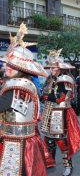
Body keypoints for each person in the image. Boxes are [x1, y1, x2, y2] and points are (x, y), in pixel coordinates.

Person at [0, 23, 55, 175]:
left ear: (21, 68)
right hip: (25, 140)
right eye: (7, 65)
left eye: (12, 66)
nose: (7, 68)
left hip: (18, 144)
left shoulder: (15, 86)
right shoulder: (25, 83)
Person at [40, 49, 80, 176]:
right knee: (49, 140)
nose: (52, 70)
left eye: (54, 68)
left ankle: (68, 165)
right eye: (51, 67)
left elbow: (61, 98)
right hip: (49, 111)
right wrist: (45, 96)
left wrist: (46, 96)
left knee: (61, 141)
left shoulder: (65, 79)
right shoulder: (49, 78)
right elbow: (44, 94)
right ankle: (50, 162)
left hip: (60, 113)